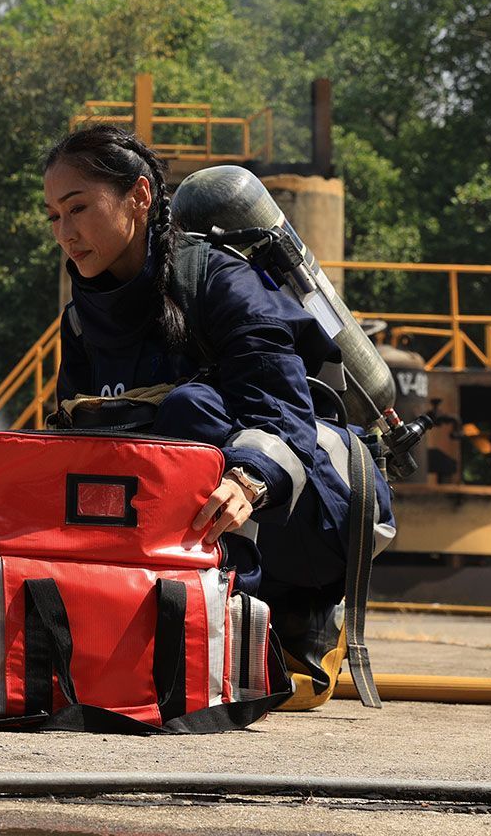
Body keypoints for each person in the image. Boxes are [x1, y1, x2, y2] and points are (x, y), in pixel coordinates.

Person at [39, 125, 392, 706]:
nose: (65, 233)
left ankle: (271, 615)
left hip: (318, 506)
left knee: (189, 409)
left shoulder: (223, 280)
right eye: (53, 216)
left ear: (140, 196)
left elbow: (281, 410)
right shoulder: (81, 320)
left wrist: (250, 479)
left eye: (78, 208)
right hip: (193, 521)